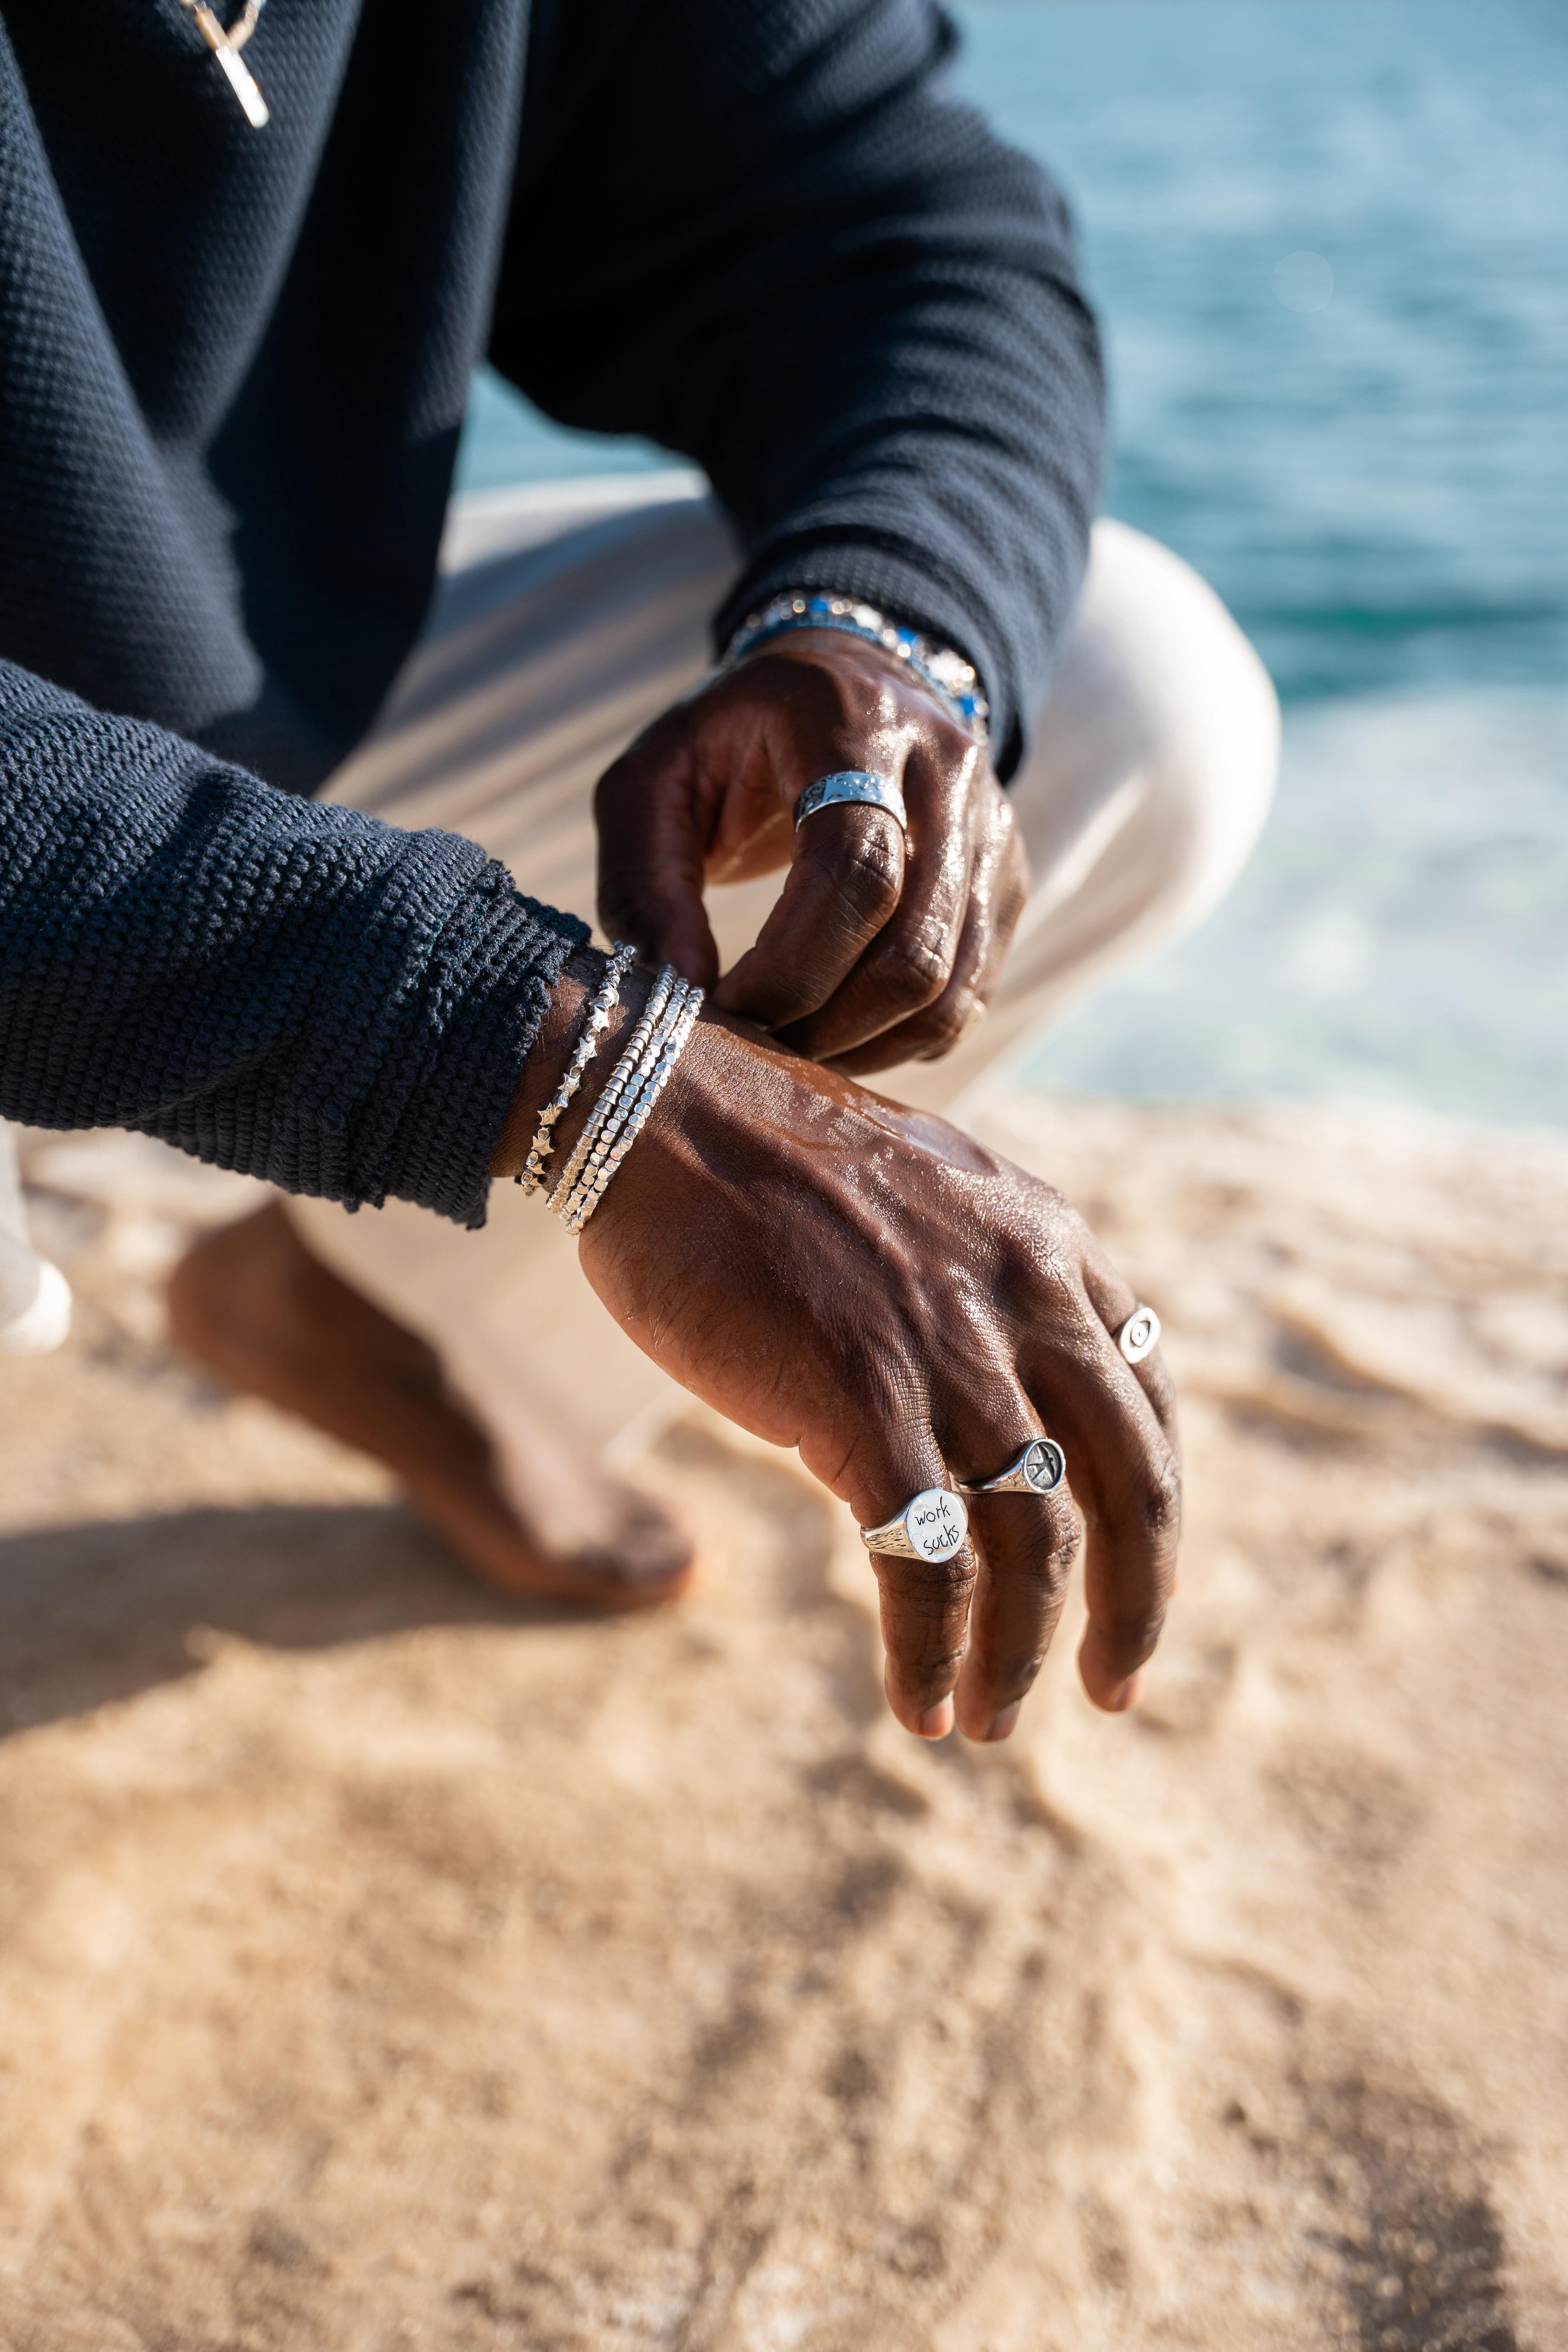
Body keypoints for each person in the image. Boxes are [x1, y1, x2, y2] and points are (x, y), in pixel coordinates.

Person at [0, 0, 1276, 1742]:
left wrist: (885, 629)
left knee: (1131, 695)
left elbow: (893, 221)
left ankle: (378, 1309)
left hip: (215, 706)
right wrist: (564, 1065)